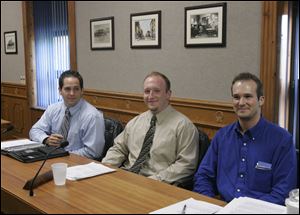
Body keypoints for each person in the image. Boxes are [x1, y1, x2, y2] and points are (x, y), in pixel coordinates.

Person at [193, 72, 297, 205]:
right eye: (236, 97)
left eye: (248, 96)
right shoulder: (222, 136)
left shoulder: (282, 140)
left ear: (261, 100)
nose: (241, 103)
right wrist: (210, 203)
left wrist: (245, 210)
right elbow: (203, 176)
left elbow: (283, 192)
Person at [102, 71, 199, 184]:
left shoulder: (184, 126)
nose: (151, 96)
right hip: (127, 178)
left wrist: (153, 181)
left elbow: (186, 165)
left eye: (156, 91)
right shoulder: (135, 122)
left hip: (158, 184)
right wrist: (104, 168)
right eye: (147, 91)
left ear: (168, 94)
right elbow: (119, 148)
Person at [29, 70, 105, 159]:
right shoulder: (53, 109)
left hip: (77, 163)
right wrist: (46, 139)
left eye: (76, 89)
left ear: (82, 91)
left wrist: (63, 155)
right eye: (67, 89)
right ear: (60, 91)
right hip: (52, 157)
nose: (72, 93)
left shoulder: (92, 116)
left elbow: (93, 152)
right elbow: (34, 131)